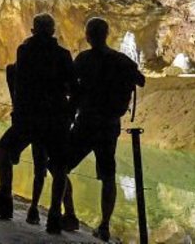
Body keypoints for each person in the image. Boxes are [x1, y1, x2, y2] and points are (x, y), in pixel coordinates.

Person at [0, 13, 75, 234]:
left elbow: (21, 85)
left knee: (3, 149)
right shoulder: (63, 55)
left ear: (33, 31)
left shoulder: (26, 50)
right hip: (56, 119)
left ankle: (5, 198)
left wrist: (18, 113)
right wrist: (68, 114)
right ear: (53, 32)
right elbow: (72, 88)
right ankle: (54, 216)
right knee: (59, 167)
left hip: (30, 118)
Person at [66, 18, 146, 242]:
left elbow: (70, 84)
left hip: (86, 123)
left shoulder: (84, 59)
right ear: (107, 34)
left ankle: (69, 215)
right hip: (110, 126)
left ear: (88, 36)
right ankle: (104, 226)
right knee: (108, 176)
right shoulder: (121, 60)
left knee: (59, 165)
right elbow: (141, 80)